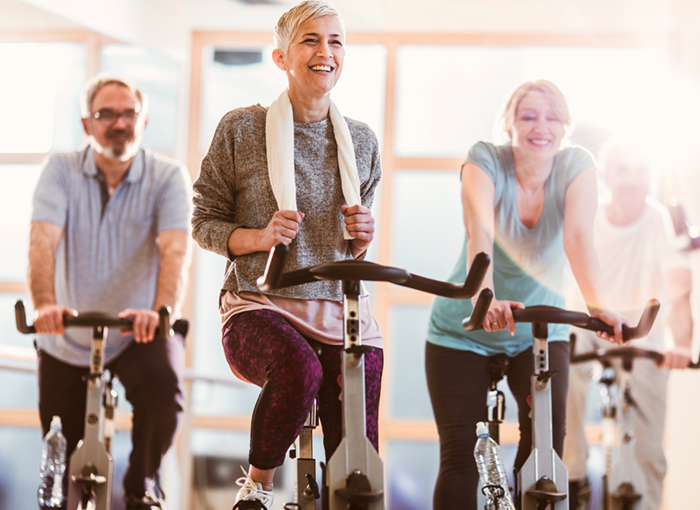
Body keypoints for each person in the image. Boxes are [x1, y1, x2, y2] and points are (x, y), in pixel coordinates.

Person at [191, 1, 382, 509]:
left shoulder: (361, 140)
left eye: (336, 41)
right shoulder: (241, 130)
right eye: (311, 40)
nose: (326, 52)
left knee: (357, 466)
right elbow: (203, 223)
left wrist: (362, 238)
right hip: (259, 303)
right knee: (301, 371)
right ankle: (256, 488)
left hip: (340, 310)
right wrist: (258, 237)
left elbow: (351, 245)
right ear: (280, 57)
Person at [425, 80, 626, 510]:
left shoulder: (577, 166)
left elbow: (577, 237)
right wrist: (486, 297)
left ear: (566, 126)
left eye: (553, 117)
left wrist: (598, 307)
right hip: (463, 329)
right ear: (510, 124)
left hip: (538, 331)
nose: (542, 127)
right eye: (529, 116)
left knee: (542, 454)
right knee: (459, 457)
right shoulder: (485, 160)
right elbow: (478, 232)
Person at [28, 75, 192, 510]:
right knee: (59, 455)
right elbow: (43, 240)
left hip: (136, 329)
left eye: (128, 114)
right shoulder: (61, 171)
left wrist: (160, 312)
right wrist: (44, 304)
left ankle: (142, 487)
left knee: (163, 395)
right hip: (67, 333)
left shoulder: (167, 176)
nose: (118, 123)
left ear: (143, 121)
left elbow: (175, 250)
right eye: (106, 114)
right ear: (87, 124)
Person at [563, 142, 693, 510]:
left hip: (640, 333)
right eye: (624, 170)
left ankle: (645, 499)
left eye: (641, 171)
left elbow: (680, 291)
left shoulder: (659, 222)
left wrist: (682, 345)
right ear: (605, 175)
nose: (633, 180)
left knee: (648, 447)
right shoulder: (588, 218)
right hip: (588, 324)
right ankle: (572, 475)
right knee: (559, 372)